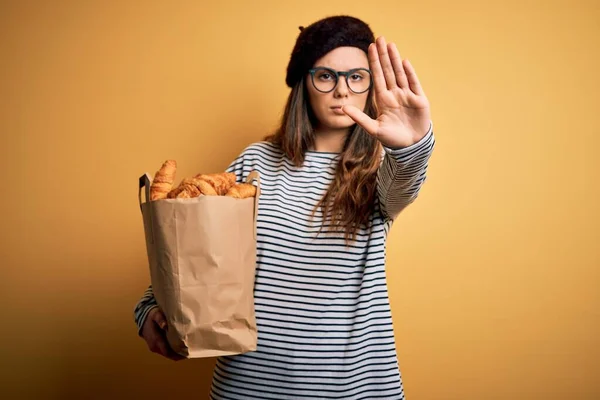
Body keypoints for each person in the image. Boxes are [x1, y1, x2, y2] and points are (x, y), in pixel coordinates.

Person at [134, 14, 435, 400]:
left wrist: (410, 145)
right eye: (326, 76)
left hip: (353, 389)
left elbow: (405, 183)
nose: (342, 90)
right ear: (303, 84)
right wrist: (149, 309)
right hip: (249, 387)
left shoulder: (381, 170)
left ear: (370, 87)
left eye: (356, 77)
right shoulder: (255, 162)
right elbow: (197, 246)